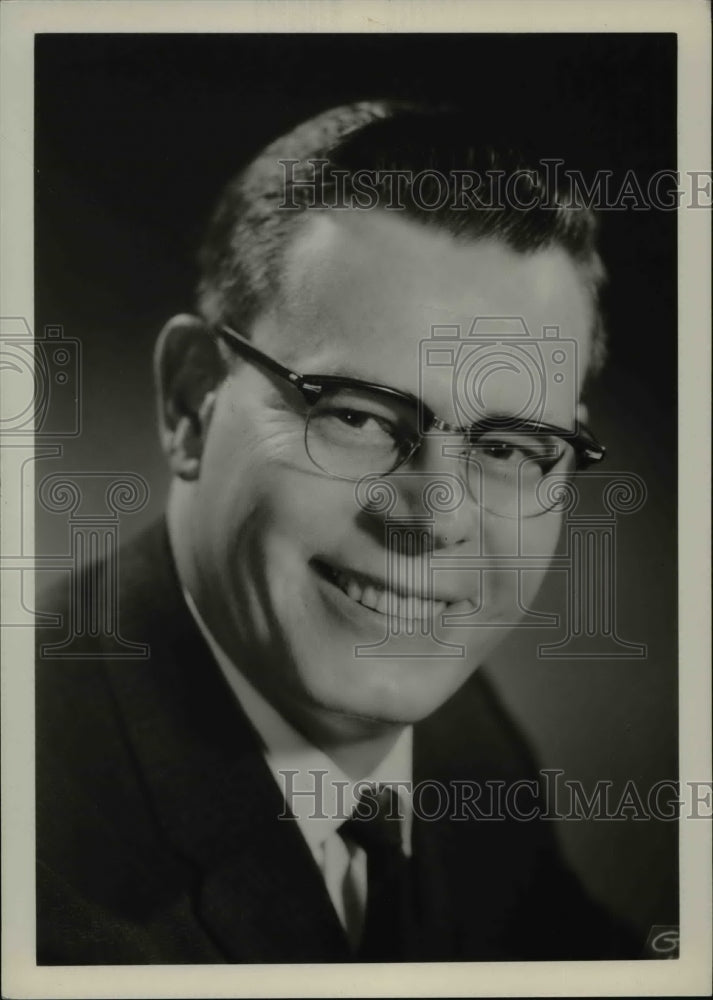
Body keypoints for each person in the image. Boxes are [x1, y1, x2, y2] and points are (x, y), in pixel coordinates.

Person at [36, 102, 639, 963]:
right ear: (190, 401)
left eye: (508, 446)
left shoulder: (459, 739)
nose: (436, 517)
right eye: (356, 416)